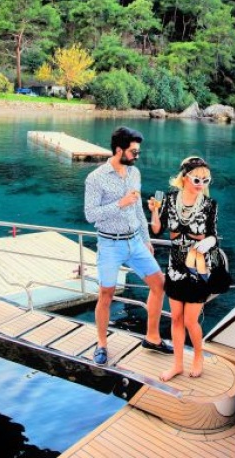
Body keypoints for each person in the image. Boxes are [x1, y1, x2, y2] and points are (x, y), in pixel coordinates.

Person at [83, 126, 171, 365]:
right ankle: (101, 344)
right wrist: (119, 203)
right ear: (119, 150)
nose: (137, 156)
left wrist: (146, 239)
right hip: (110, 244)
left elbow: (138, 208)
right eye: (134, 152)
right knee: (106, 294)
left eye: (138, 152)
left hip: (135, 242)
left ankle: (152, 337)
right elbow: (90, 215)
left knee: (159, 284)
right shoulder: (95, 178)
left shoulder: (135, 173)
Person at [148, 156, 223, 381]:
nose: (201, 184)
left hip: (198, 266)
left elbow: (213, 235)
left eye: (205, 180)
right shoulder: (170, 200)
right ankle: (178, 364)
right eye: (197, 179)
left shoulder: (210, 204)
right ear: (184, 177)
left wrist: (207, 242)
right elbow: (157, 230)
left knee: (190, 320)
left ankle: (198, 356)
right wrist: (154, 211)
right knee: (176, 318)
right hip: (175, 267)